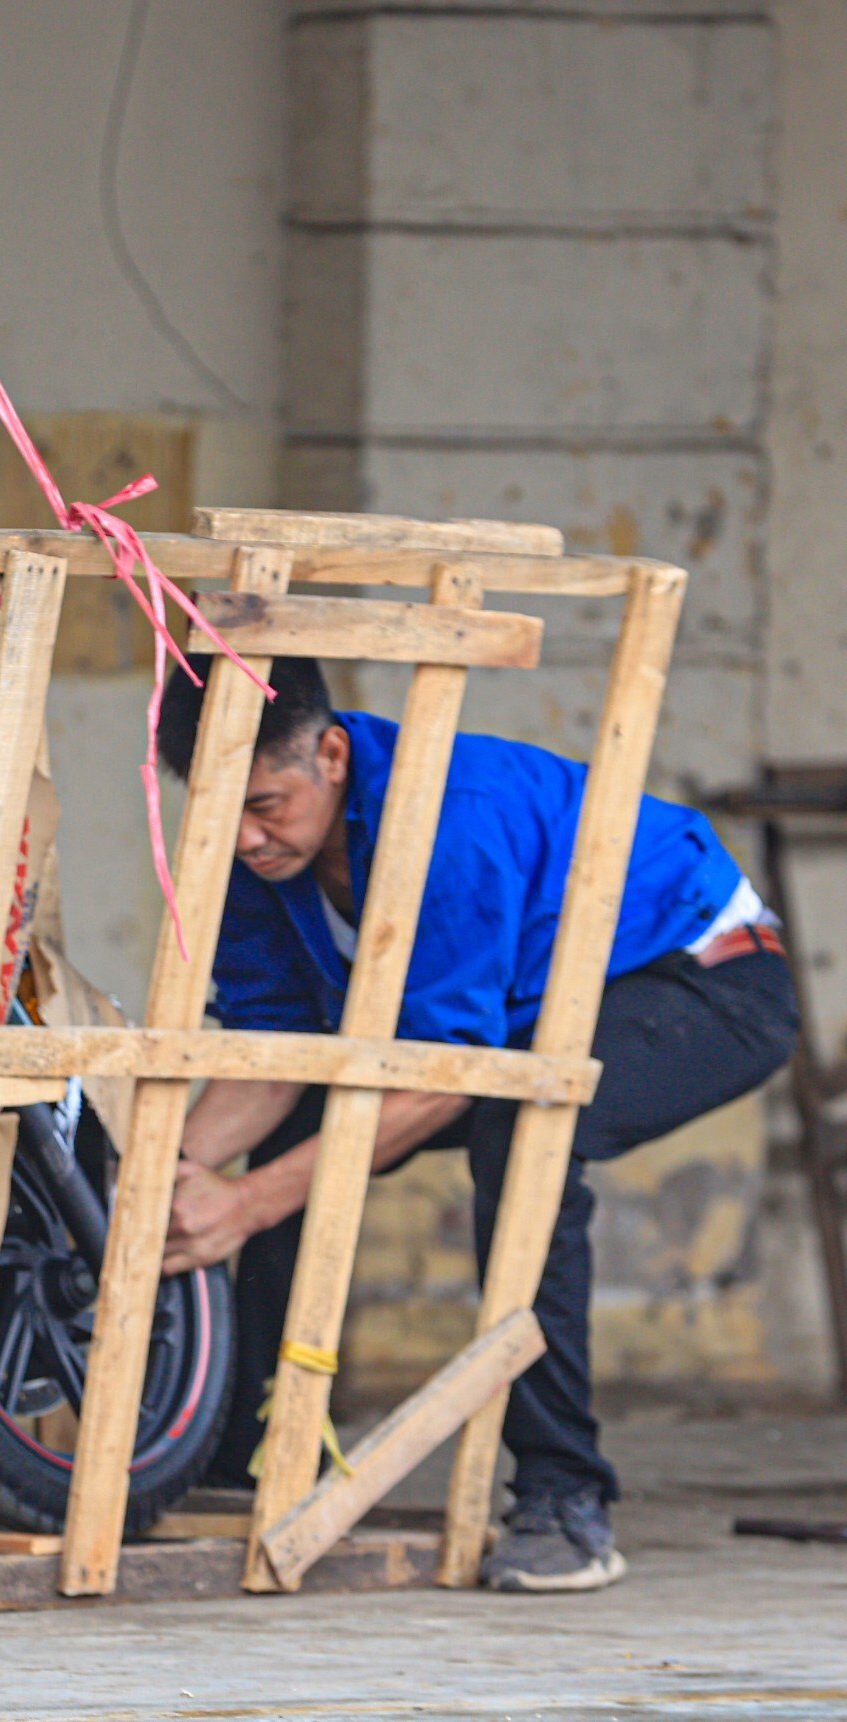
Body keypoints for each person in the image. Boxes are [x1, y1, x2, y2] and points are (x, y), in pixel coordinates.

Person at [153, 655, 795, 1593]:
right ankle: (237, 1453)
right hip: (527, 1014)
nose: (246, 840)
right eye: (220, 814)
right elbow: (277, 1052)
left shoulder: (446, 817)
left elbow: (452, 1076)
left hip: (704, 976)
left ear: (332, 753)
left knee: (523, 1130)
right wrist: (159, 1185)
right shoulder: (254, 853)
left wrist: (242, 1205)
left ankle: (564, 1497)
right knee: (284, 1152)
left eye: (265, 805)